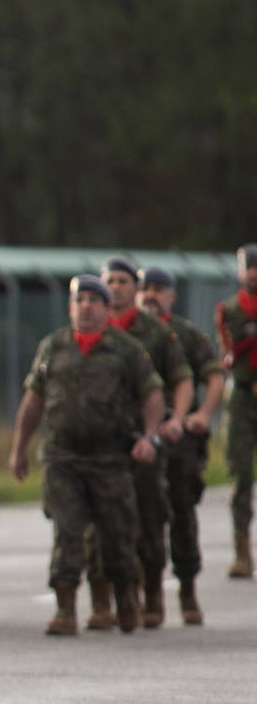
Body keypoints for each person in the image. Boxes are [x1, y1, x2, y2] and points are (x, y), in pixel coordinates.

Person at [8, 275, 165, 635]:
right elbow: (34, 399)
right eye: (80, 300)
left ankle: (125, 598)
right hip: (63, 458)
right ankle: (65, 609)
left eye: (95, 300)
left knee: (117, 536)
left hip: (110, 460)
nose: (87, 306)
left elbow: (152, 394)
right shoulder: (54, 347)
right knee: (67, 531)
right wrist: (19, 449)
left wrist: (150, 437)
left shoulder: (125, 349)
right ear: (70, 306)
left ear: (108, 309)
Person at [84, 258, 192, 629]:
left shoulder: (156, 333)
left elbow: (180, 378)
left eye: (123, 281)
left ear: (135, 286)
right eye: (108, 281)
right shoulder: (86, 331)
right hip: (100, 444)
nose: (114, 287)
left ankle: (152, 595)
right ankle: (102, 601)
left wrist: (174, 420)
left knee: (149, 518)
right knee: (96, 525)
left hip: (143, 440)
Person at [138, 266, 224, 624]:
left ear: (171, 295)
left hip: (178, 439)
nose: (150, 295)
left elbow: (213, 375)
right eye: (146, 288)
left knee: (181, 511)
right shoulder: (127, 336)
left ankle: (187, 590)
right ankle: (150, 594)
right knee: (145, 515)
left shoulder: (185, 335)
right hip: (141, 436)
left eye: (159, 289)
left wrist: (201, 414)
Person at [215, 243, 257, 578]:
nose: (254, 273)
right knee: (240, 475)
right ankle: (242, 551)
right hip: (243, 397)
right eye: (249, 267)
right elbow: (229, 349)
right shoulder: (230, 310)